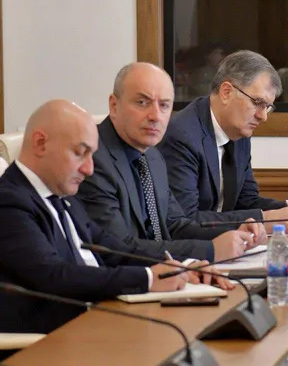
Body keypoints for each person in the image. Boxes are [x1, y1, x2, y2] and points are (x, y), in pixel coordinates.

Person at [0, 100, 234, 335]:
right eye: (80, 153)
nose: (89, 169)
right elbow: (54, 276)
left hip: (99, 322)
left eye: (92, 155)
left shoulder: (61, 196)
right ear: (40, 143)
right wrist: (147, 279)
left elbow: (113, 250)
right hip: (50, 340)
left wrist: (182, 266)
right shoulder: (9, 201)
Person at [78, 63, 265, 262]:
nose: (155, 116)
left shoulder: (152, 156)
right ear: (114, 105)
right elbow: (118, 249)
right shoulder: (91, 160)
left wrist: (235, 231)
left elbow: (175, 225)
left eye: (164, 105)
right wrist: (210, 250)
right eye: (142, 102)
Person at [158, 50, 288, 233]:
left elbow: (247, 201)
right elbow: (186, 221)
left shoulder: (239, 132)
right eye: (257, 103)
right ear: (226, 92)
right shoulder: (182, 136)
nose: (263, 117)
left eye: (267, 107)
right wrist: (264, 219)